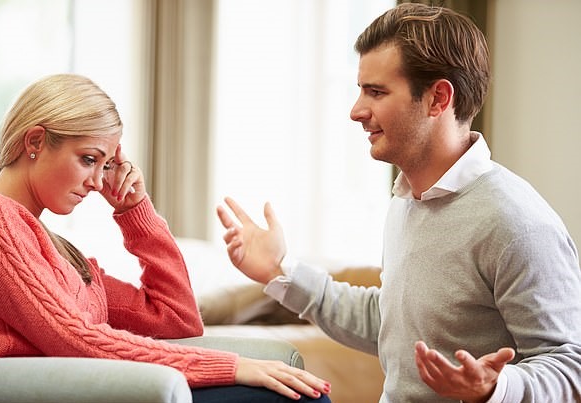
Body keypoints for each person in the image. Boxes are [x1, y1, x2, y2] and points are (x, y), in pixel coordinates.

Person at [216, 3, 581, 402]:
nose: (356, 111)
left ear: (438, 98)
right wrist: (279, 270)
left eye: (376, 92)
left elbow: (570, 366)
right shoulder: (407, 200)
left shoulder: (517, 223)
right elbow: (393, 321)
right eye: (360, 89)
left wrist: (495, 388)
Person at [0, 73, 331, 403]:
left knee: (300, 395)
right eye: (89, 159)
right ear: (34, 142)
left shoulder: (58, 252)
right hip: (50, 392)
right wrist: (230, 366)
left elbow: (178, 320)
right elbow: (72, 338)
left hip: (97, 388)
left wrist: (135, 212)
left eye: (107, 165)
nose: (98, 182)